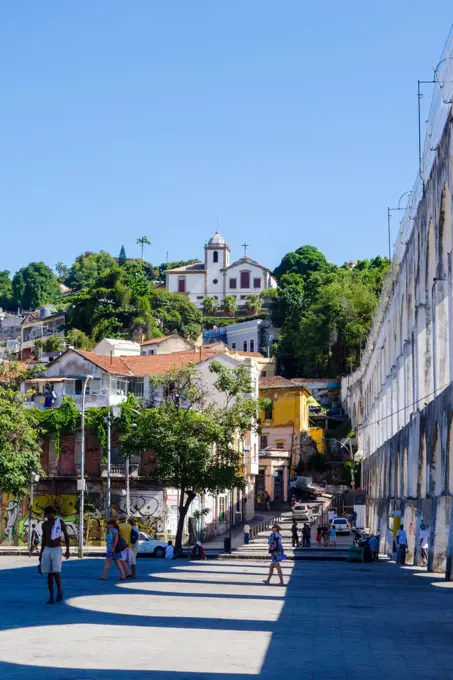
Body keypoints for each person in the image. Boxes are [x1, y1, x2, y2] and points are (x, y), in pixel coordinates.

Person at [39, 506, 70, 604]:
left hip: (57, 548)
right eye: (47, 514)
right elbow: (43, 540)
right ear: (46, 515)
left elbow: (66, 535)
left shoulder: (59, 522)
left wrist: (68, 549)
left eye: (51, 513)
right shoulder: (44, 525)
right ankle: (51, 597)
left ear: (54, 513)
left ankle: (60, 590)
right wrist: (41, 554)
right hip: (47, 548)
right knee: (49, 573)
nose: (49, 515)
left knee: (56, 571)